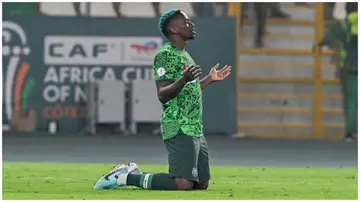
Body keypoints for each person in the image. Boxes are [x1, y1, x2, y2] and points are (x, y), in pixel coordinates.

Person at [93, 9, 232, 191]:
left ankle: (131, 173)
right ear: (174, 29)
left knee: (200, 184)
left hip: (194, 126)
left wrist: (209, 80)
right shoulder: (165, 55)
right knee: (182, 183)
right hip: (178, 124)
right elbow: (162, 94)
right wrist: (184, 79)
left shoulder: (184, 55)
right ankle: (123, 177)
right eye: (187, 22)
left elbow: (188, 89)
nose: (192, 25)